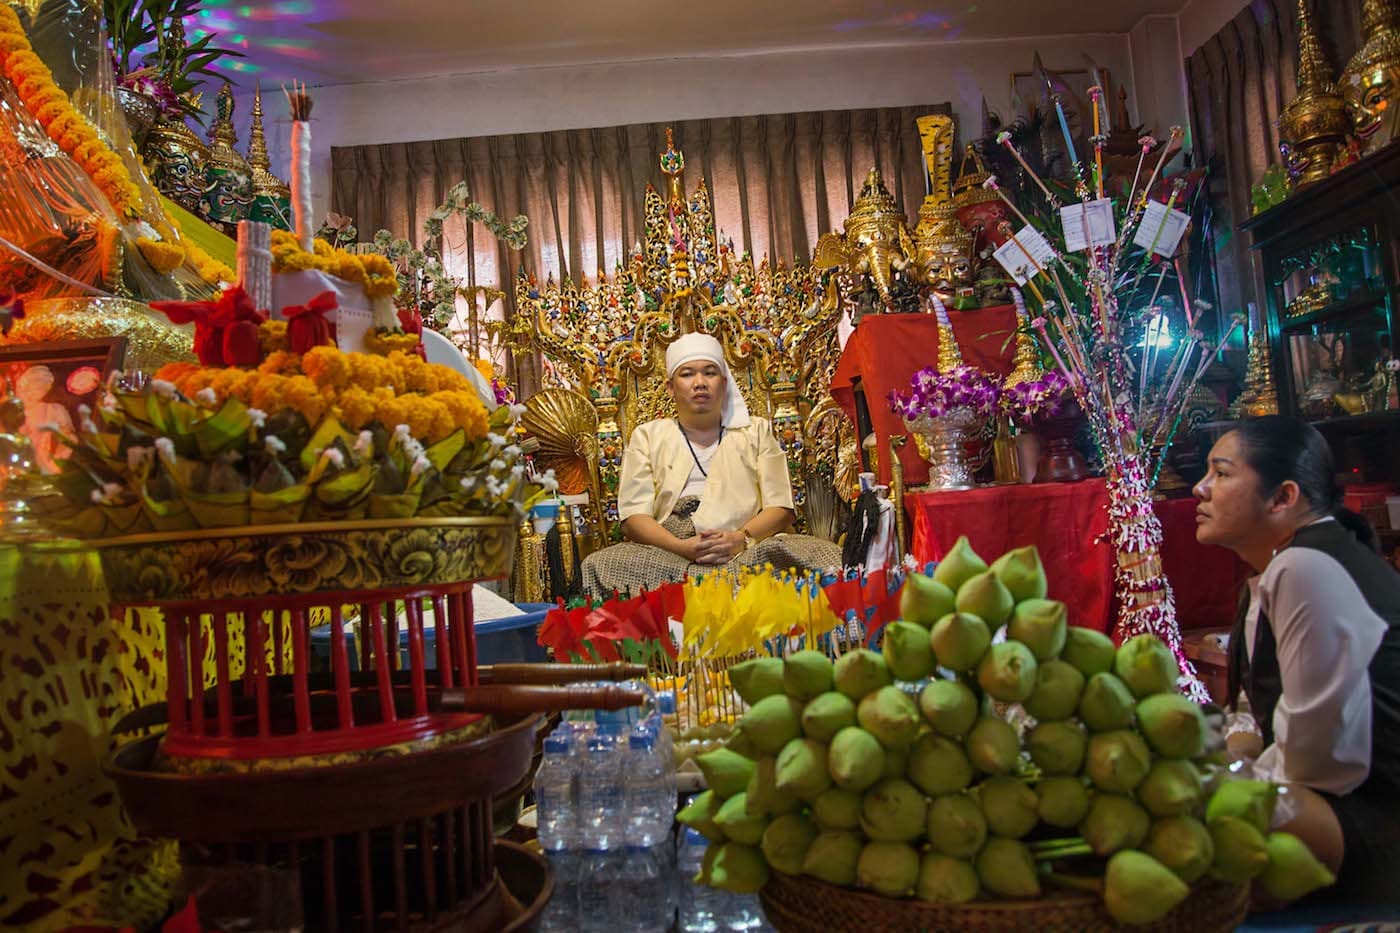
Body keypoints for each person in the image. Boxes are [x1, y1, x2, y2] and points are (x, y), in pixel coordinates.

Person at [1192, 415, 1399, 903]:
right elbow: (1251, 710)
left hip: (1371, 817)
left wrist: (1215, 777)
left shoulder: (1304, 568)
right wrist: (1232, 752)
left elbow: (1318, 766)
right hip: (1330, 800)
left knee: (1180, 815)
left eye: (1221, 473)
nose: (1200, 488)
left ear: (1283, 497)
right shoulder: (1271, 573)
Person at [580, 333, 841, 599]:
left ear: (724, 383)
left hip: (748, 549)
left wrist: (740, 539)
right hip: (670, 554)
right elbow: (634, 517)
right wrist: (681, 547)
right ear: (670, 386)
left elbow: (781, 507)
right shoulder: (648, 435)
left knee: (827, 557)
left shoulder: (755, 431)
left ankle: (710, 586)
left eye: (709, 372)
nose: (700, 383)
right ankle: (718, 587)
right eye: (687, 374)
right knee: (599, 566)